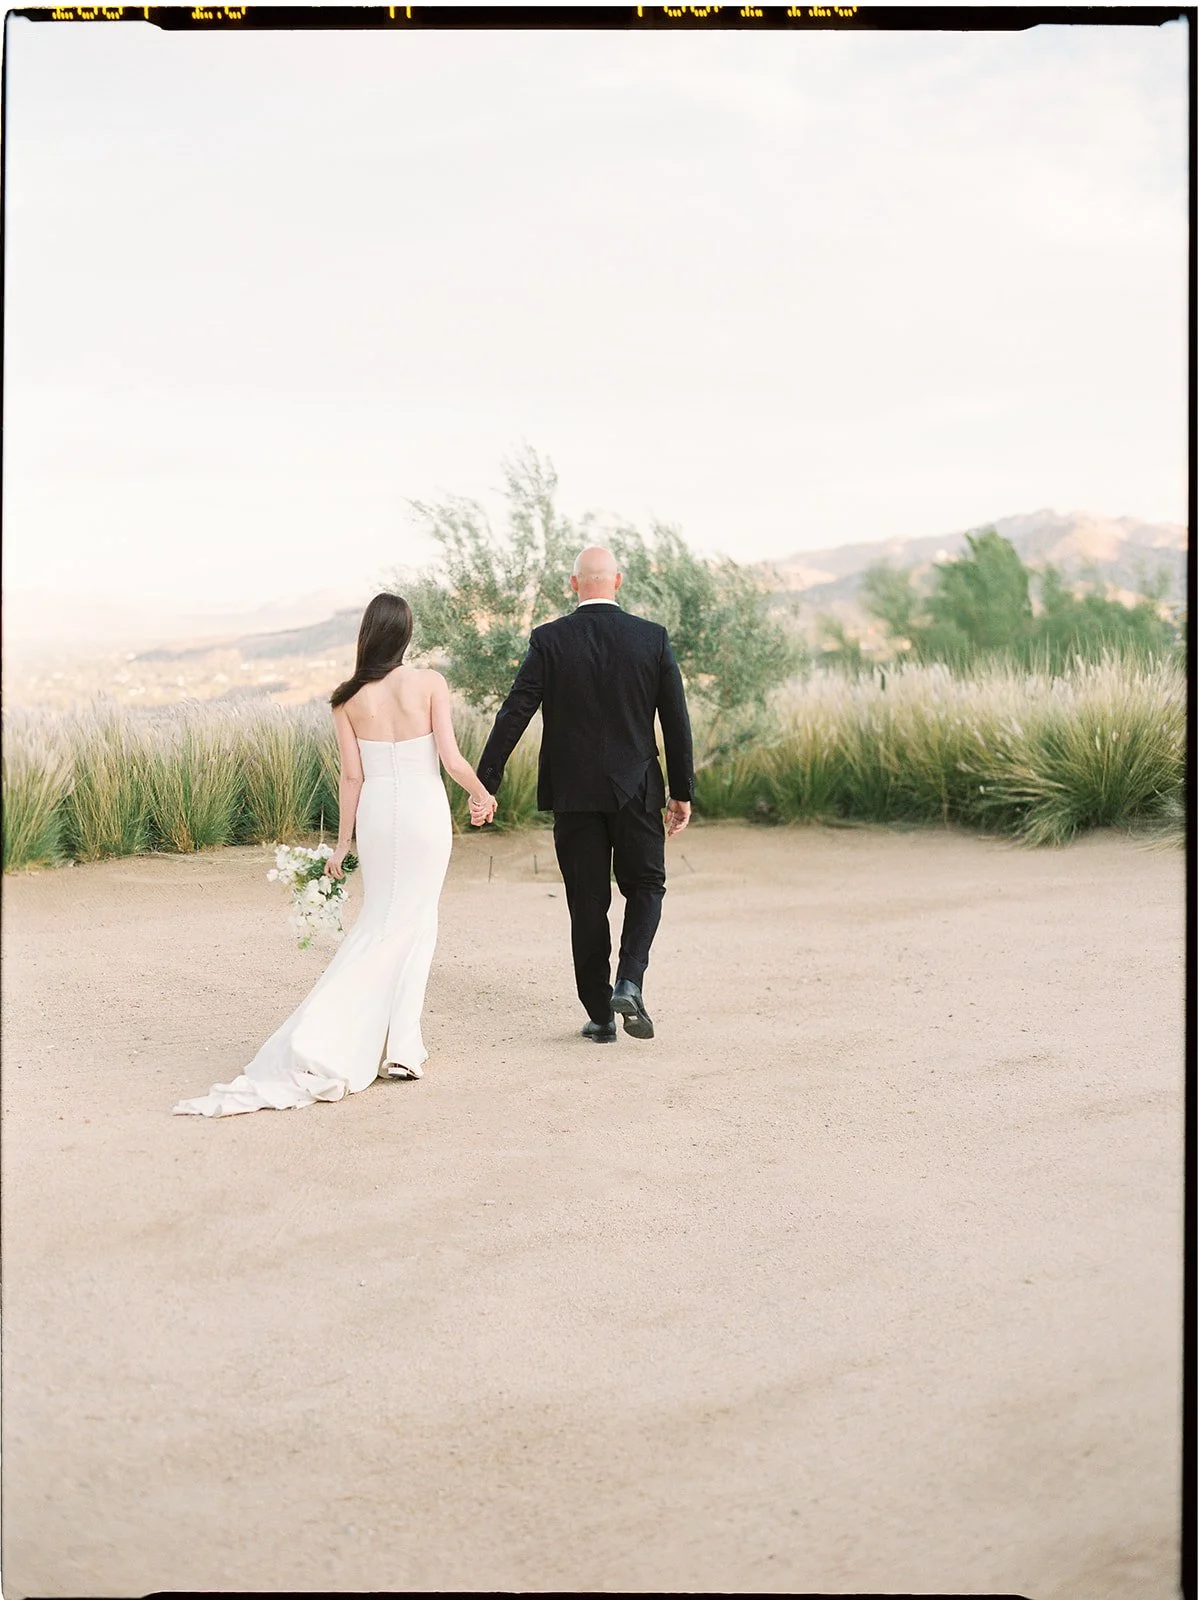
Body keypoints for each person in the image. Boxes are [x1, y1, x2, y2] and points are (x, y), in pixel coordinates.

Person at [173, 593, 495, 1116]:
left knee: (386, 917)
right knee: (418, 921)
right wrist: (480, 794)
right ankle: (400, 1050)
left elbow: (352, 777)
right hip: (423, 812)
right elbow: (452, 759)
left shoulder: (347, 698)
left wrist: (344, 844)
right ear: (406, 635)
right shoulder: (430, 683)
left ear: (367, 636)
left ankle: (401, 1045)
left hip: (375, 816)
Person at [474, 546, 694, 1043]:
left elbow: (515, 712)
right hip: (636, 789)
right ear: (617, 581)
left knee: (587, 903)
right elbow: (676, 722)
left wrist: (487, 780)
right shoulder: (651, 638)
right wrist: (681, 792)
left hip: (573, 794)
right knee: (646, 887)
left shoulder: (550, 640)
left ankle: (601, 1016)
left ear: (574, 585)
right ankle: (630, 981)